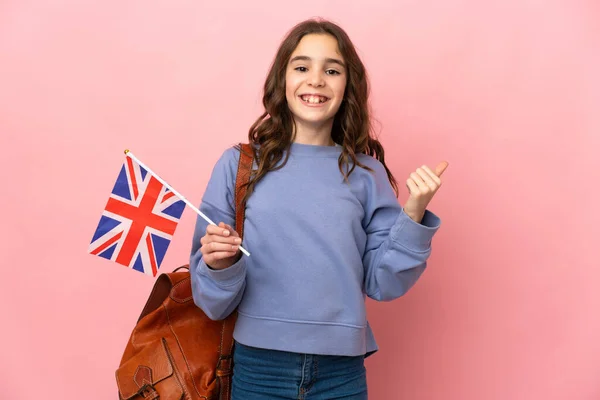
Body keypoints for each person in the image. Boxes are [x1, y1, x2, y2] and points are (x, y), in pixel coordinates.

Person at [189, 18, 448, 400]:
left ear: (348, 86)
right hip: (258, 369)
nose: (316, 80)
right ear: (283, 80)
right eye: (302, 67)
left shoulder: (366, 174)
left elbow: (384, 282)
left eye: (331, 69)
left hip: (340, 374)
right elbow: (210, 301)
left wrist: (413, 215)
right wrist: (219, 264)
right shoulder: (240, 166)